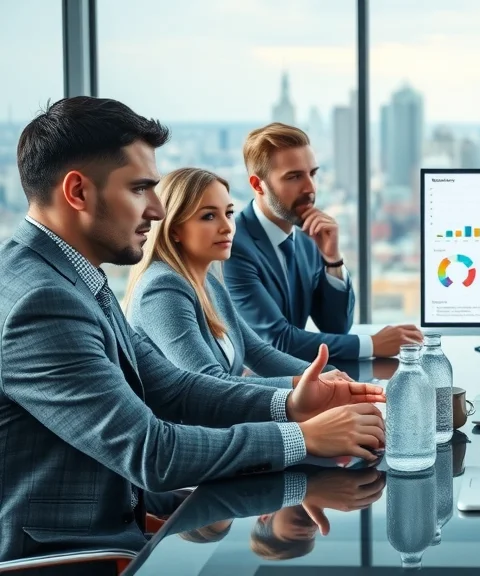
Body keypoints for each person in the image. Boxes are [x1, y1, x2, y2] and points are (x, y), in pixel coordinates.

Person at [0, 96, 386, 562]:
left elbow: (173, 388)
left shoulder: (71, 275)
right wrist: (304, 437)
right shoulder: (43, 301)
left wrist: (290, 402)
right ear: (78, 192)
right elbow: (151, 452)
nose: (158, 209)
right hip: (75, 557)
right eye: (140, 188)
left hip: (124, 529)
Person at [124, 167, 357, 389]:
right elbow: (209, 383)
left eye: (229, 213)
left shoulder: (209, 282)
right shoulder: (163, 289)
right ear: (174, 228)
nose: (227, 227)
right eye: (208, 216)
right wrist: (305, 384)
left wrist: (325, 376)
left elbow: (257, 352)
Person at [223, 123, 421, 363]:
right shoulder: (234, 247)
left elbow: (336, 326)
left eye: (313, 173)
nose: (310, 187)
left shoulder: (308, 237)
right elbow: (276, 341)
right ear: (257, 185)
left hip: (301, 379)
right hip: (258, 386)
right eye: (294, 177)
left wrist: (332, 259)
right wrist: (373, 344)